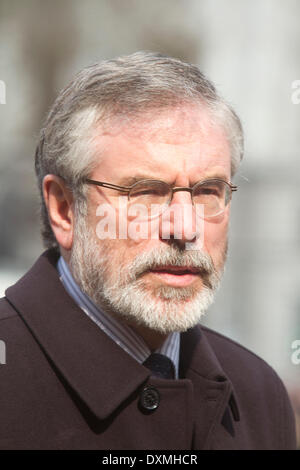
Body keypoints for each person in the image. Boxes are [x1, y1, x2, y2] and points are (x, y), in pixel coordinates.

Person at [0, 51, 296, 450]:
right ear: (64, 209)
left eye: (208, 191)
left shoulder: (257, 394)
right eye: (146, 193)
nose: (185, 228)